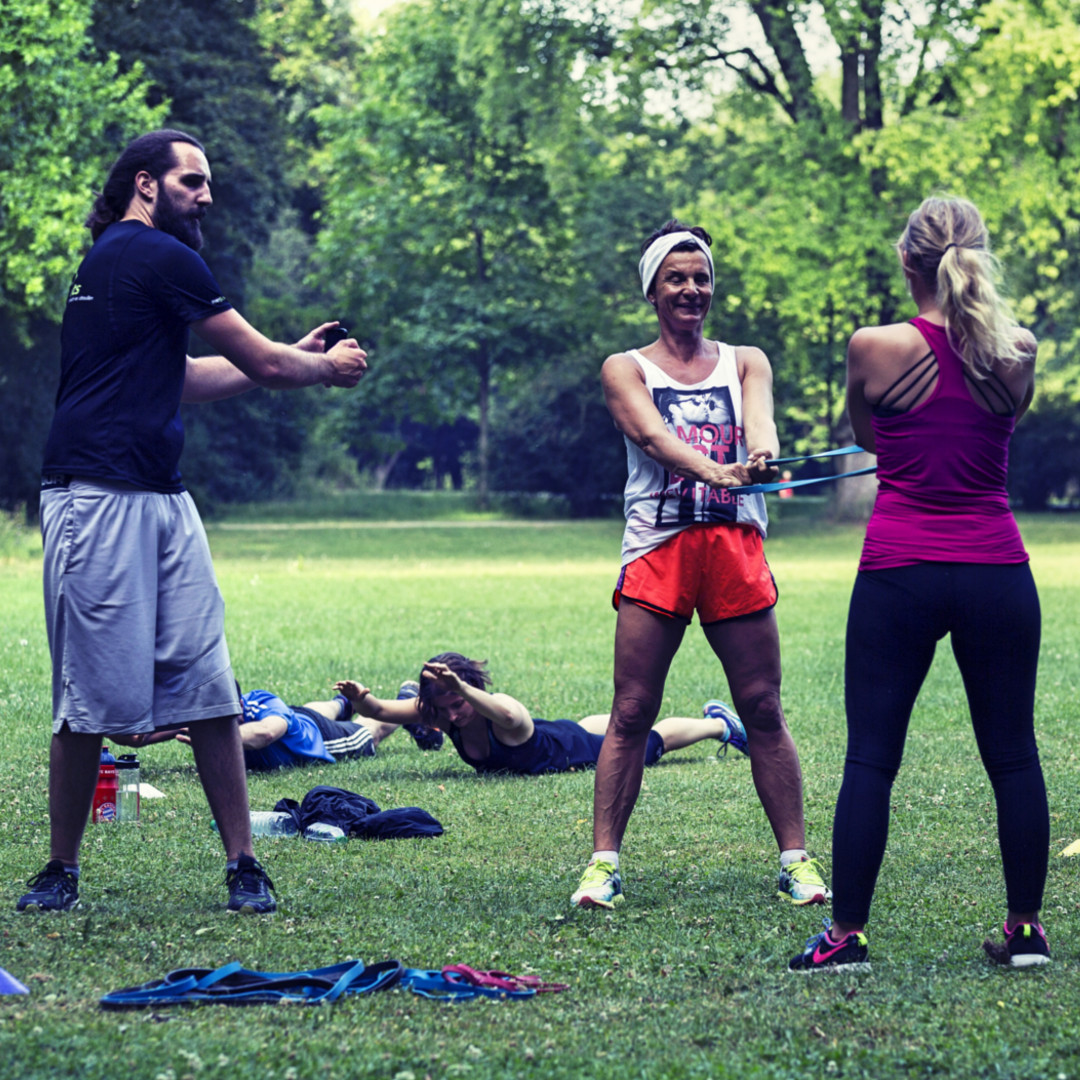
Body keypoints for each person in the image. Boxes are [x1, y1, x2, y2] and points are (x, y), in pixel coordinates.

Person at [17, 129, 369, 916]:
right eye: (192, 182)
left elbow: (175, 376)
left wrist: (283, 353)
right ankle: (60, 869)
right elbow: (273, 369)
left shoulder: (114, 261)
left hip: (162, 496)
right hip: (96, 498)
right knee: (86, 698)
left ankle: (243, 863)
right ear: (146, 184)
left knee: (210, 689)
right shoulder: (156, 255)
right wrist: (324, 369)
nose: (206, 196)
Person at [788, 196, 1049, 972]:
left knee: (871, 755)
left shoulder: (872, 346)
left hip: (899, 568)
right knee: (1013, 754)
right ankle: (1026, 930)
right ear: (980, 257)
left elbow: (872, 440)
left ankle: (848, 938)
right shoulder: (1021, 350)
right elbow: (992, 431)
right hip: (997, 569)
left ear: (909, 263)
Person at [570, 220, 831, 911]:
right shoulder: (625, 367)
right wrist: (718, 470)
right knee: (631, 710)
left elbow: (761, 424)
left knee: (763, 707)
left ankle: (796, 861)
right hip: (657, 549)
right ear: (653, 290)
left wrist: (762, 458)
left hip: (734, 549)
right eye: (676, 278)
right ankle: (603, 866)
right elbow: (652, 437)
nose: (692, 289)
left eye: (700, 277)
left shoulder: (746, 359)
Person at [334, 652, 749, 775]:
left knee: (651, 743)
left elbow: (509, 718)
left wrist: (461, 690)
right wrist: (360, 699)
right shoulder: (445, 712)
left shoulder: (501, 708)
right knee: (590, 727)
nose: (454, 715)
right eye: (445, 708)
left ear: (471, 690)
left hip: (573, 753)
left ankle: (719, 725)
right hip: (563, 736)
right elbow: (383, 709)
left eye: (459, 702)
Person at [120, 680, 443, 769]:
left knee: (366, 734)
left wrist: (216, 739)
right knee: (312, 709)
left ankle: (406, 702)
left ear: (238, 708)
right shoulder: (203, 718)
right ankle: (342, 702)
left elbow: (266, 733)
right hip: (298, 716)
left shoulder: (262, 708)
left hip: (317, 739)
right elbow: (137, 735)